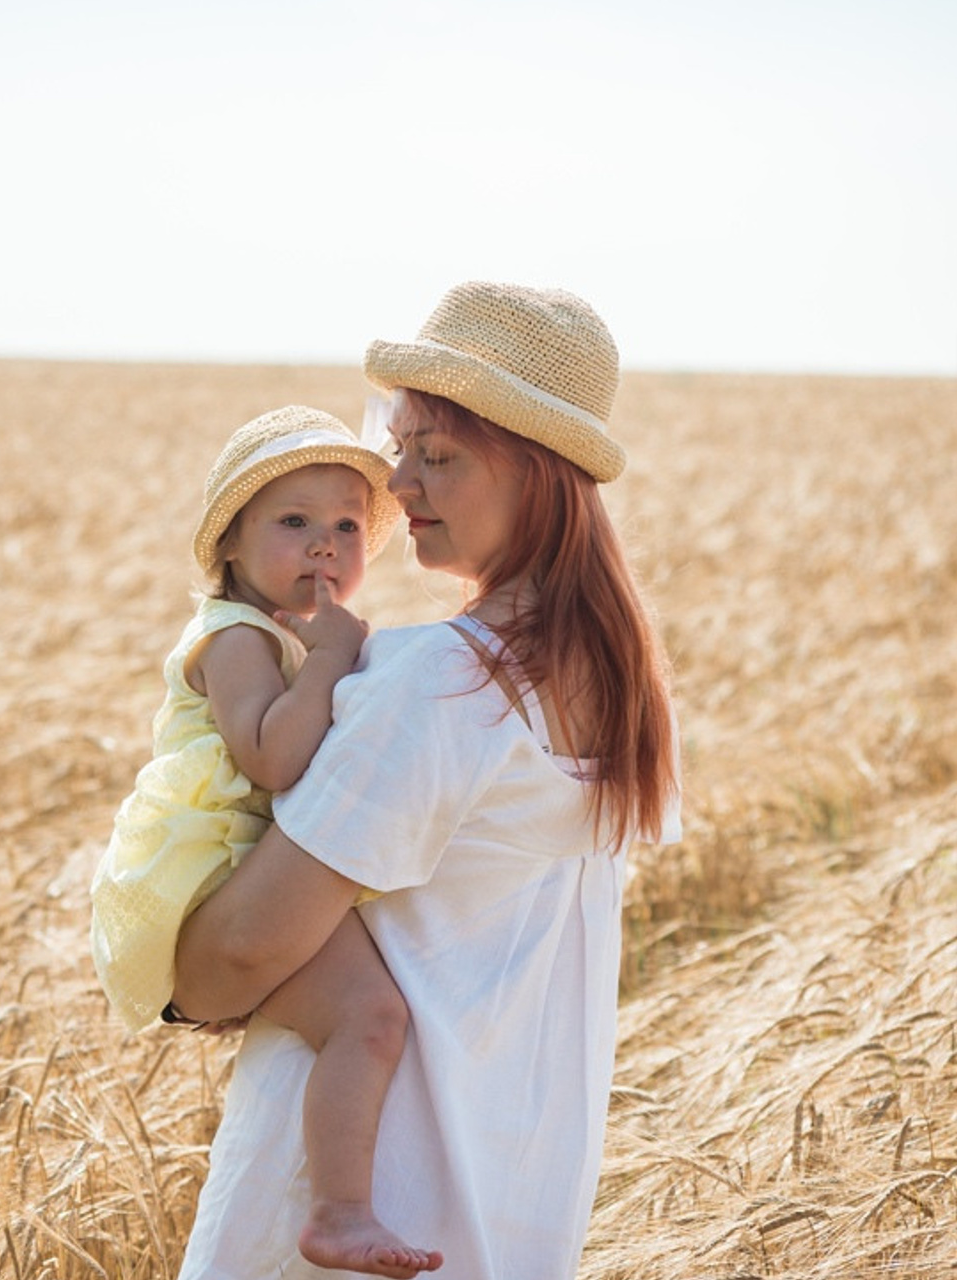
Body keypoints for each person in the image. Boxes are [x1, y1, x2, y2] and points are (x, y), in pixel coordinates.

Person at [170, 282, 683, 1280]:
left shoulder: (438, 678)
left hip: (343, 1217)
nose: (398, 487)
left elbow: (229, 958)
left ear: (537, 473)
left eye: (437, 456)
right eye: (400, 449)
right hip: (501, 1204)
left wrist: (171, 953)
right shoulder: (624, 687)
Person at [89, 405, 442, 1277]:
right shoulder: (238, 635)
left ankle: (338, 1204)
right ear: (232, 550)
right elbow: (274, 758)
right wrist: (332, 662)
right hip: (213, 873)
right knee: (371, 1016)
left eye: (347, 527)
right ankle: (339, 1214)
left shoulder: (285, 632)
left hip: (258, 862)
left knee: (374, 1012)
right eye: (294, 522)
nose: (326, 545)